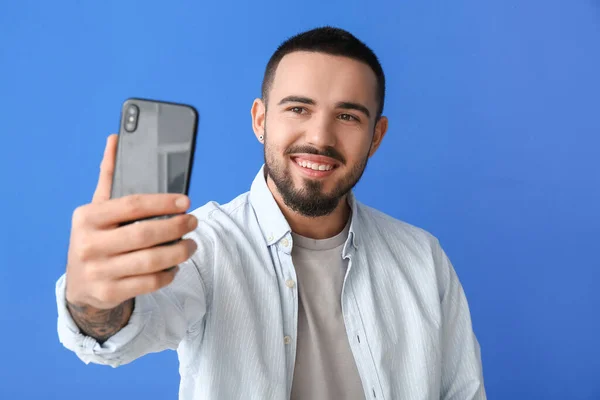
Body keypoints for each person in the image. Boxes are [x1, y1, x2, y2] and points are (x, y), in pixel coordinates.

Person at [55, 26, 487, 400]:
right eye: (298, 108)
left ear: (376, 136)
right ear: (260, 119)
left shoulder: (422, 258)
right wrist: (91, 302)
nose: (319, 136)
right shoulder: (201, 246)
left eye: (348, 116)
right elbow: (124, 332)